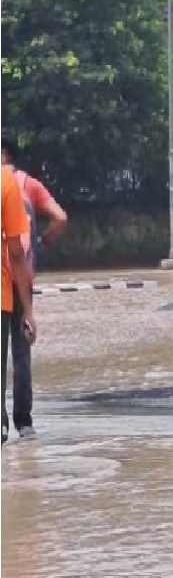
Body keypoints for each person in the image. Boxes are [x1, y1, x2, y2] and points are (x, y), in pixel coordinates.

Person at [1, 136, 68, 439]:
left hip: (6, 280)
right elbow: (60, 218)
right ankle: (24, 423)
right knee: (21, 352)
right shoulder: (27, 185)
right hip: (20, 279)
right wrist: (42, 243)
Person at [3, 165, 37, 445]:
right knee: (20, 356)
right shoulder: (9, 184)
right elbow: (17, 252)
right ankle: (21, 422)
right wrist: (28, 310)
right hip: (10, 288)